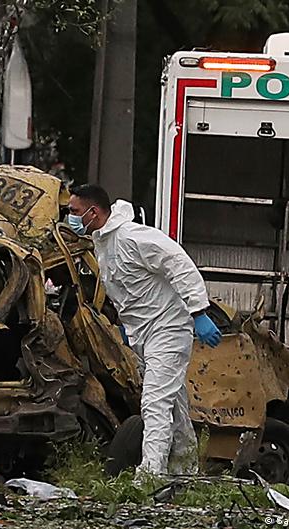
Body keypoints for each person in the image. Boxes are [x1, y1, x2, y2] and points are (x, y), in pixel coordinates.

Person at [67, 183, 221, 475]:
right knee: (172, 403)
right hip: (146, 333)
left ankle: (151, 475)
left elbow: (178, 263)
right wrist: (127, 327)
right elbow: (127, 291)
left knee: (155, 402)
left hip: (168, 327)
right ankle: (185, 471)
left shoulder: (131, 236)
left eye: (74, 211)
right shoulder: (103, 243)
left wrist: (198, 311)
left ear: (94, 211)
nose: (71, 218)